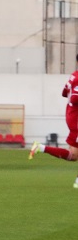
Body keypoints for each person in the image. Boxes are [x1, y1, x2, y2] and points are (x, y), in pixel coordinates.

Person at [29, 53, 78, 188]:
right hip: (76, 119)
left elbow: (64, 93)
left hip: (72, 116)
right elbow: (74, 98)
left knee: (73, 156)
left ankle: (40, 147)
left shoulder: (74, 75)